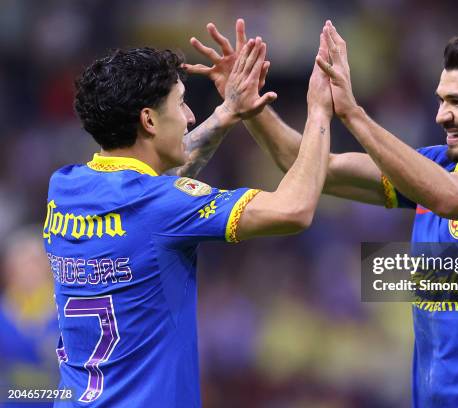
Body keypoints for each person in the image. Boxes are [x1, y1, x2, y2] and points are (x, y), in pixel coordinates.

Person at [188, 19, 458, 407]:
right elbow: (309, 164)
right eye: (441, 100)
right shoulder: (439, 166)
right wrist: (248, 105)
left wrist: (352, 113)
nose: (442, 115)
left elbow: (450, 198)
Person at [43, 35, 333, 407]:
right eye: (180, 103)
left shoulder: (64, 188)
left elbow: (150, 192)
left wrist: (227, 112)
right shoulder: (163, 205)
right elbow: (294, 209)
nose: (190, 116)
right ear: (148, 119)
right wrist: (320, 113)